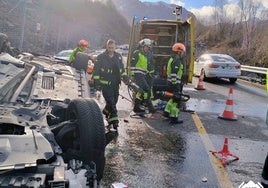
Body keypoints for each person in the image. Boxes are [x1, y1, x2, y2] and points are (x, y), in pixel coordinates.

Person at [93, 39, 129, 131]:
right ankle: (114, 121)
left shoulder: (118, 57)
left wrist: (126, 78)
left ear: (115, 47)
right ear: (107, 47)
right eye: (109, 47)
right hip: (105, 85)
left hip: (115, 84)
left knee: (114, 101)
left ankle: (106, 111)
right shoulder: (101, 57)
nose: (111, 49)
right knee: (112, 103)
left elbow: (121, 70)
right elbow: (96, 71)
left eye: (112, 48)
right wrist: (97, 84)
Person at [130, 38, 156, 114]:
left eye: (148, 47)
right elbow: (132, 65)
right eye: (146, 47)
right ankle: (150, 107)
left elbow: (143, 67)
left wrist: (149, 73)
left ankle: (136, 107)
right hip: (138, 75)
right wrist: (132, 76)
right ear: (142, 46)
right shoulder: (137, 53)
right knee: (147, 89)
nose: (147, 48)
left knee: (141, 91)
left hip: (142, 75)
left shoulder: (145, 55)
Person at [163, 42, 186, 124]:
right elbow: (174, 73)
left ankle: (166, 113)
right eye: (182, 52)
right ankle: (174, 118)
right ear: (178, 52)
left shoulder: (172, 59)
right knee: (176, 101)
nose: (183, 54)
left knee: (172, 99)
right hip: (174, 84)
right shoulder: (177, 61)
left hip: (170, 83)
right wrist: (175, 84)